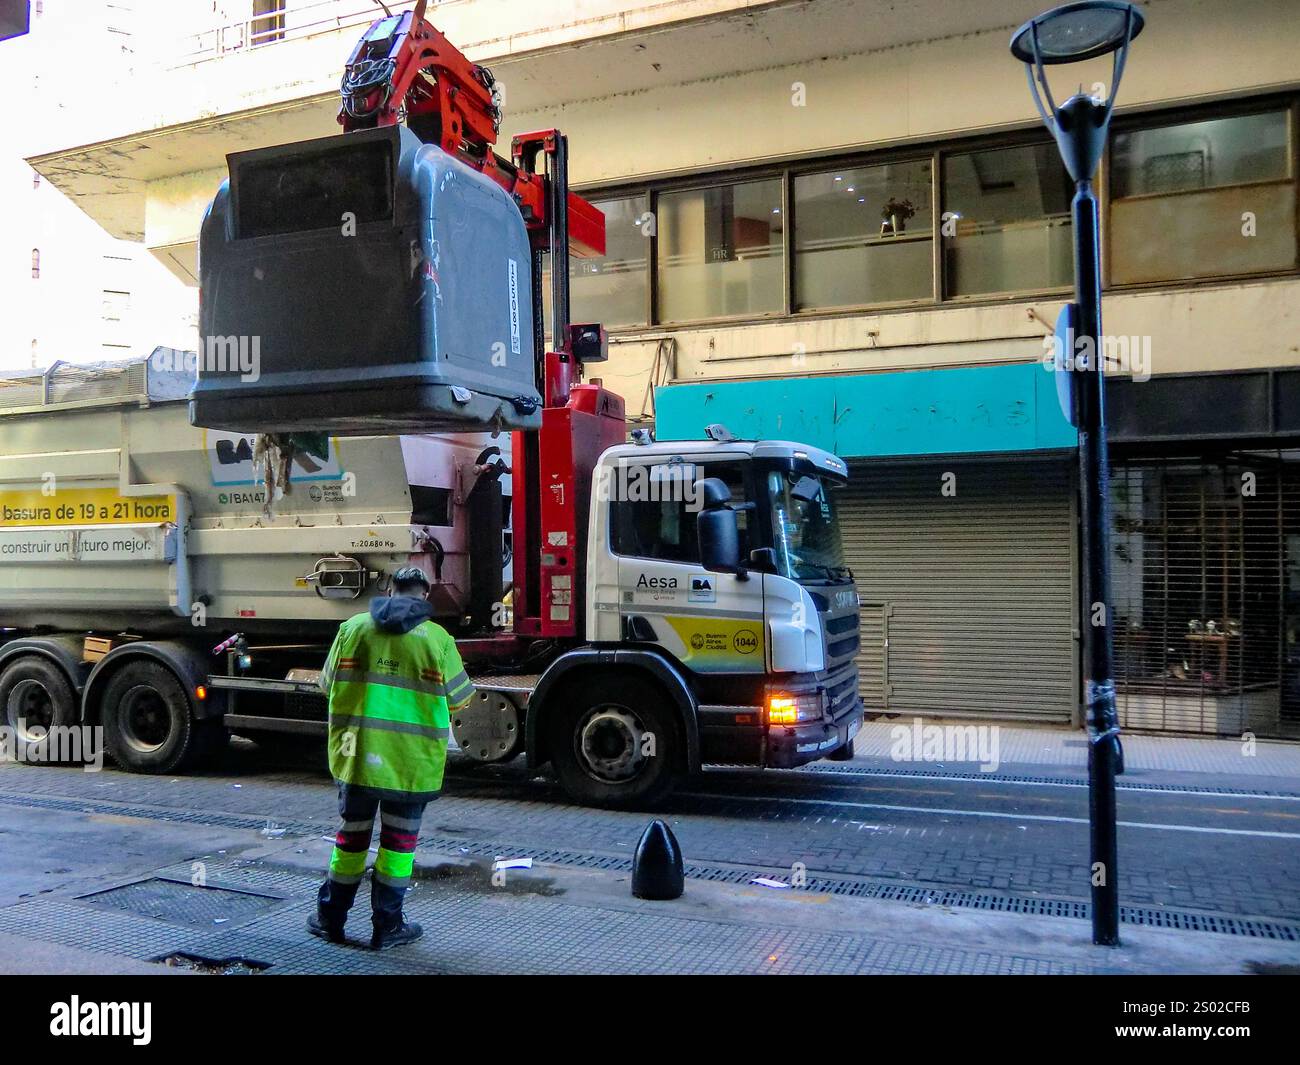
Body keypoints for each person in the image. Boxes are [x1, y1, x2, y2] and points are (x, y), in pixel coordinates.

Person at [309, 565, 474, 949]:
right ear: (425, 595)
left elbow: (326, 685)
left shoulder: (352, 629)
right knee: (399, 846)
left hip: (358, 756)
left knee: (351, 840)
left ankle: (330, 919)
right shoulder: (438, 640)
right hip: (410, 764)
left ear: (390, 590)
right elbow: (460, 699)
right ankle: (388, 926)